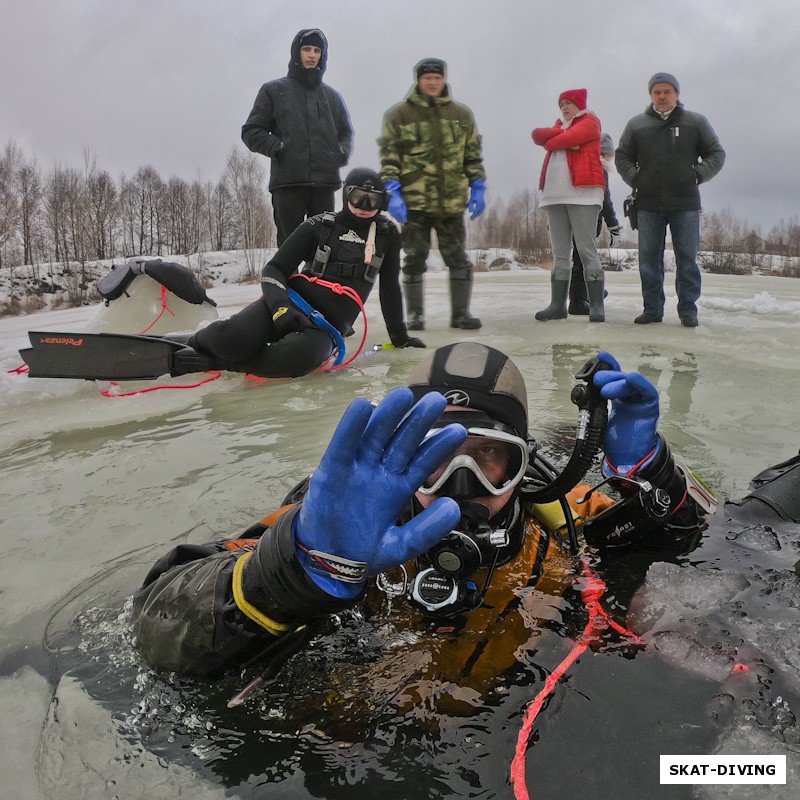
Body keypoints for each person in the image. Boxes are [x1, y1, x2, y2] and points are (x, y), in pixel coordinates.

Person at [132, 341, 723, 697]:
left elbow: (702, 541)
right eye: (435, 458)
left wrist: (652, 472)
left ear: (523, 467)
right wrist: (298, 571)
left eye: (490, 457)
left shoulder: (556, 519)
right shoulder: (337, 519)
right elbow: (157, 628)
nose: (461, 488)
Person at [168, 169, 425, 380]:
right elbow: (273, 269)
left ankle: (217, 361)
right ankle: (194, 341)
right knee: (231, 338)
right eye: (359, 197)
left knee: (293, 359)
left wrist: (400, 338)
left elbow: (390, 288)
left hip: (327, 327)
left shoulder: (387, 235)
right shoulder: (318, 226)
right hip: (289, 304)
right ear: (346, 194)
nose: (365, 206)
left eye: (373, 200)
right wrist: (280, 309)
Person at [379, 58, 487, 331]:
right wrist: (392, 191)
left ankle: (461, 314)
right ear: (419, 80)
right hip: (415, 203)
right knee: (414, 258)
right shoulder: (399, 115)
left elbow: (472, 156)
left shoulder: (462, 115)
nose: (432, 82)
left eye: (436, 78)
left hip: (451, 202)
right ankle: (415, 315)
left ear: (443, 80)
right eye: (427, 77)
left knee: (458, 258)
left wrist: (478, 186)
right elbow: (390, 158)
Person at [615, 72, 726, 327]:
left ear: (676, 94)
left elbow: (716, 154)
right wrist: (636, 179)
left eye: (667, 92)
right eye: (657, 92)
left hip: (685, 203)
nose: (662, 96)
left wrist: (696, 175)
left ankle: (688, 311)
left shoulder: (696, 122)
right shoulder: (637, 124)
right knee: (649, 260)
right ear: (651, 95)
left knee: (687, 259)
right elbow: (622, 157)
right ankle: (652, 309)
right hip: (648, 204)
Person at [241, 29, 354, 246]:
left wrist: (339, 154)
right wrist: (278, 147)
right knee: (289, 248)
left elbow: (346, 134)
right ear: (297, 52)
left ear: (323, 55)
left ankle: (315, 281)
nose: (312, 55)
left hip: (324, 185)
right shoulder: (273, 90)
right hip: (288, 184)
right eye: (306, 49)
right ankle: (287, 281)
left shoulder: (332, 97)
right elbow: (251, 131)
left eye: (317, 50)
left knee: (322, 247)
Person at [532, 89, 608, 323]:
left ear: (580, 104)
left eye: (569, 103)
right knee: (560, 253)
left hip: (583, 194)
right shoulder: (560, 125)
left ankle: (596, 305)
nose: (564, 107)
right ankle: (557, 306)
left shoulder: (590, 121)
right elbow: (536, 135)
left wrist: (554, 140)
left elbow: (565, 139)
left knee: (586, 250)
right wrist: (558, 137)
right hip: (554, 195)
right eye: (561, 104)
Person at [568, 133, 622, 315]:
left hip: (577, 219)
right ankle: (577, 302)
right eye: (609, 155)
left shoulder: (580, 164)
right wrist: (614, 226)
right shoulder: (599, 167)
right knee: (583, 259)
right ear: (603, 153)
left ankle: (585, 295)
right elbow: (605, 199)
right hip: (589, 220)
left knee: (580, 257)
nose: (611, 159)